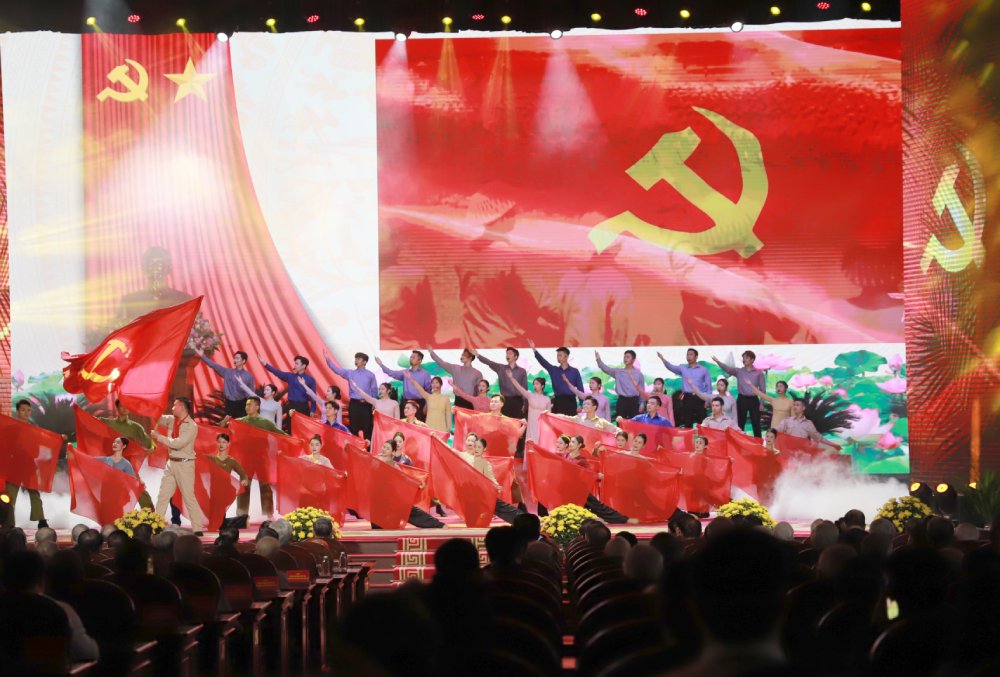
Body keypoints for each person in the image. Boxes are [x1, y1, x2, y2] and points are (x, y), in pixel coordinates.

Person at [152, 397, 206, 535]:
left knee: (188, 497)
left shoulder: (191, 425)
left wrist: (159, 437)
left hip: (185, 464)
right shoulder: (171, 419)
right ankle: (156, 526)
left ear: (182, 407)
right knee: (163, 495)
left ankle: (197, 528)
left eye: (174, 405)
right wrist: (155, 406)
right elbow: (157, 418)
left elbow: (178, 444)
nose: (172, 408)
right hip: (171, 463)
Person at [560, 435, 634, 524]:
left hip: (580, 490)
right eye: (570, 442)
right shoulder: (565, 456)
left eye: (573, 442)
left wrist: (596, 475)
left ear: (579, 445)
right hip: (568, 490)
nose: (570, 444)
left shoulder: (582, 460)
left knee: (599, 508)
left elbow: (588, 472)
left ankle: (623, 519)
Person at [2, 399, 53, 529]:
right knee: (9, 496)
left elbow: (36, 452)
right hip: (13, 467)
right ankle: (9, 524)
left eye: (29, 410)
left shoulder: (33, 430)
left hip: (28, 467)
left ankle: (42, 521)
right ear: (18, 411)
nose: (26, 413)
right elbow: (5, 447)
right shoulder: (10, 428)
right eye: (23, 410)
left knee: (35, 493)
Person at [67, 436, 155, 509]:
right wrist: (74, 454)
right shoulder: (105, 460)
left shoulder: (126, 464)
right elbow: (88, 460)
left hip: (118, 496)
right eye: (114, 442)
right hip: (105, 495)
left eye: (118, 442)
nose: (114, 444)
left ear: (124, 446)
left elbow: (132, 480)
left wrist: (139, 483)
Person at [375, 439, 444, 528]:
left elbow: (404, 478)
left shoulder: (393, 465)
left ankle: (436, 524)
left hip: (391, 497)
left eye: (387, 448)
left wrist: (416, 483)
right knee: (378, 526)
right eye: (384, 447)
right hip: (378, 499)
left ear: (393, 452)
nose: (384, 449)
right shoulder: (375, 459)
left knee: (409, 511)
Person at [117, 246, 192, 322]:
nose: (155, 267)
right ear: (143, 268)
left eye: (159, 263)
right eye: (150, 263)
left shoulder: (185, 300)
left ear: (169, 268)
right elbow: (120, 327)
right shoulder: (129, 302)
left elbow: (194, 327)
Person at [460, 434, 523, 524]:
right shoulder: (461, 456)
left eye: (474, 442)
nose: (471, 443)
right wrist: (438, 440)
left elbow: (490, 477)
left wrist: (496, 485)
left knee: (500, 507)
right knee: (472, 521)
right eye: (469, 440)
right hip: (467, 492)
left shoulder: (484, 462)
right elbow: (448, 450)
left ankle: (523, 519)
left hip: (481, 492)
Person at [325, 350, 379, 440]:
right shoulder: (350, 373)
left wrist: (374, 403)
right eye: (355, 359)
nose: (356, 360)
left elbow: (374, 390)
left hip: (366, 405)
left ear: (365, 362)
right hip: (354, 404)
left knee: (367, 429)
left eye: (359, 359)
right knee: (353, 428)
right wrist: (328, 360)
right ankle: (354, 447)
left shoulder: (371, 375)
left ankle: (368, 448)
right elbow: (336, 370)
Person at [713, 351, 766, 437]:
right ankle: (739, 441)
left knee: (756, 422)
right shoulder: (739, 371)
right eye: (743, 358)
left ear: (752, 360)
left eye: (746, 358)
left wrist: (762, 403)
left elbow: (763, 389)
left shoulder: (759, 373)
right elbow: (728, 369)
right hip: (742, 399)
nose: (744, 360)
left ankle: (758, 442)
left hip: (754, 400)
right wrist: (717, 361)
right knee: (740, 422)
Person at [194, 347, 255, 419]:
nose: (234, 360)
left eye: (237, 358)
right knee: (228, 423)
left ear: (243, 361)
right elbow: (213, 365)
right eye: (234, 358)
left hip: (242, 404)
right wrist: (201, 355)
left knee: (241, 423)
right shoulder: (227, 372)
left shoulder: (248, 376)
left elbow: (251, 393)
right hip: (229, 404)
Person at [206, 433, 250, 528]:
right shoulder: (211, 458)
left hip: (226, 491)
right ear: (216, 443)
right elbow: (198, 457)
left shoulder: (231, 460)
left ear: (228, 444)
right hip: (214, 491)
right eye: (219, 442)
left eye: (224, 442)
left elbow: (243, 475)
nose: (221, 444)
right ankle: (243, 520)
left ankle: (240, 521)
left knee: (218, 522)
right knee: (217, 522)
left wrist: (244, 480)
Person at [529, 340, 584, 416]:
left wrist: (581, 404)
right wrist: (534, 350)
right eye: (557, 355)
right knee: (557, 422)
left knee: (570, 423)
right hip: (558, 401)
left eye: (560, 355)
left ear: (566, 357)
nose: (558, 357)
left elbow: (580, 388)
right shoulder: (554, 370)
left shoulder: (575, 371)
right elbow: (543, 362)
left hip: (571, 402)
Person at [260, 354, 318, 424]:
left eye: (297, 363)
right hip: (291, 406)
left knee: (302, 427)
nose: (295, 365)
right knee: (290, 426)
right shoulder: (290, 376)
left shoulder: (310, 380)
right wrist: (265, 364)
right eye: (295, 363)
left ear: (303, 366)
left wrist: (313, 409)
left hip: (303, 407)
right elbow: (277, 372)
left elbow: (313, 396)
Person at [660, 348, 712, 428]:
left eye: (691, 354)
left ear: (696, 357)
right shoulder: (683, 368)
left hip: (700, 397)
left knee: (702, 421)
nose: (688, 356)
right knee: (687, 421)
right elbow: (671, 367)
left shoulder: (704, 370)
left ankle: (702, 436)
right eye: (687, 355)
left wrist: (708, 400)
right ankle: (688, 435)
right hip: (687, 398)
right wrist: (663, 359)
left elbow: (709, 386)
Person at [376, 351, 432, 420]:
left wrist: (426, 405)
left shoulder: (425, 374)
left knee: (418, 424)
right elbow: (392, 373)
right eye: (410, 357)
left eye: (413, 357)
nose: (411, 359)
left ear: (419, 360)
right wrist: (381, 364)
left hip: (420, 403)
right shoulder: (405, 372)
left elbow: (428, 392)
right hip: (406, 402)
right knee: (404, 424)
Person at [473, 347, 528, 417]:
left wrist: (525, 403)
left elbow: (524, 388)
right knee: (504, 421)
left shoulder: (522, 371)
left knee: (517, 422)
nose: (507, 355)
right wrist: (478, 355)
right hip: (504, 401)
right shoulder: (501, 368)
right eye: (507, 354)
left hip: (518, 401)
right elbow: (489, 362)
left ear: (515, 357)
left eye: (510, 354)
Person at [596, 349, 644, 419]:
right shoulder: (618, 372)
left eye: (628, 357)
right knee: (620, 421)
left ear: (633, 360)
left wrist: (642, 404)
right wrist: (598, 360)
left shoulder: (639, 374)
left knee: (634, 422)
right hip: (622, 401)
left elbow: (642, 391)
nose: (625, 359)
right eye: (624, 357)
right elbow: (606, 369)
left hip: (634, 402)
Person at [504, 371, 551, 444]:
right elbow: (519, 388)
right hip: (532, 423)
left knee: (540, 442)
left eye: (537, 384)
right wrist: (511, 378)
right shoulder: (530, 395)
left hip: (542, 424)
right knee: (531, 441)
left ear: (542, 386)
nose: (534, 386)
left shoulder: (547, 399)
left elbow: (549, 415)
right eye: (534, 384)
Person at [775, 399, 841, 450]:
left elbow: (819, 438)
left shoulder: (808, 423)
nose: (794, 407)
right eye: (794, 405)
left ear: (803, 408)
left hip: (802, 452)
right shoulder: (787, 421)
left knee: (829, 450)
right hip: (788, 450)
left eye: (797, 405)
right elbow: (775, 430)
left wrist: (833, 445)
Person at [554, 396, 621, 432]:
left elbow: (616, 429)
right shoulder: (578, 419)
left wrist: (621, 422)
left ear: (594, 407)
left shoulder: (602, 422)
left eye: (588, 404)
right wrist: (550, 414)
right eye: (584, 404)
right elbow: (564, 417)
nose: (585, 406)